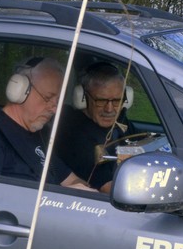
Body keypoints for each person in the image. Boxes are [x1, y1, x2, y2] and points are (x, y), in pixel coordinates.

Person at [0, 56, 94, 190]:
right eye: (48, 98)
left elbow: (71, 179)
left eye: (58, 101)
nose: (55, 109)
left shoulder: (41, 135)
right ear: (20, 89)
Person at [55, 61, 137, 192]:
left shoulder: (121, 120)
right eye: (101, 101)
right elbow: (109, 188)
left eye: (117, 101)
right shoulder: (74, 136)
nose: (110, 109)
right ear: (83, 97)